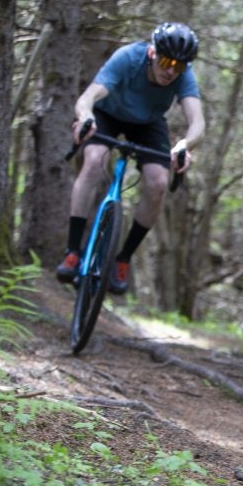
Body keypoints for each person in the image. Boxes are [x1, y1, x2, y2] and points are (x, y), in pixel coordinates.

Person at [56, 22, 205, 295]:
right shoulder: (127, 57)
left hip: (148, 124)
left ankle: (122, 258)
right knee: (93, 161)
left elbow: (197, 122)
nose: (171, 70)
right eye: (166, 61)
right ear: (152, 53)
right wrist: (86, 116)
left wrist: (184, 144)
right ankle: (73, 251)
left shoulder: (184, 75)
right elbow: (89, 97)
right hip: (107, 115)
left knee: (158, 182)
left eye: (179, 65)